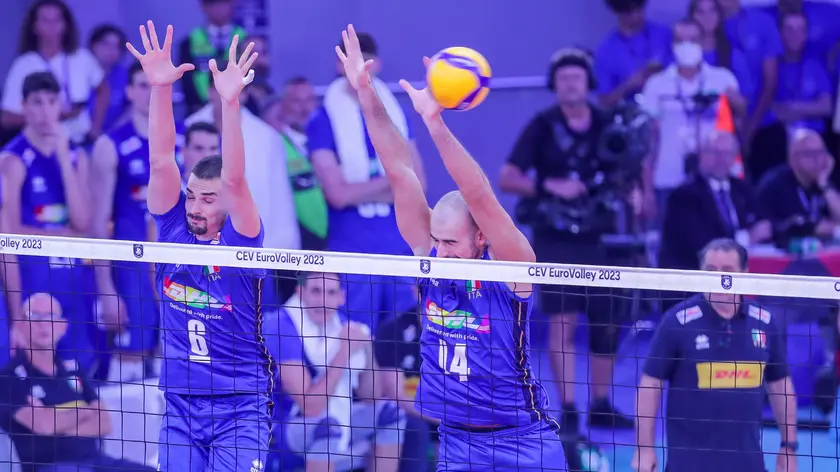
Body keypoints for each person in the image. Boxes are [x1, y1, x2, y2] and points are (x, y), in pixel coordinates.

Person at [337, 24, 567, 470]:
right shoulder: (430, 264)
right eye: (435, 242)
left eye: (450, 242)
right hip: (457, 444)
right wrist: (366, 95)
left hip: (524, 441)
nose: (439, 252)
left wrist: (435, 122)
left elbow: (479, 193)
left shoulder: (512, 268)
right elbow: (399, 171)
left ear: (481, 238)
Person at [126, 22, 270, 471]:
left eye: (208, 199)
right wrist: (160, 89)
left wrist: (229, 102)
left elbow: (234, 178)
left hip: (240, 404)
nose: (195, 205)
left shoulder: (243, 238)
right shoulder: (172, 227)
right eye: (192, 195)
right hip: (181, 405)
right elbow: (160, 158)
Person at [499, 48, 637, 436]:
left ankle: (600, 404)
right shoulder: (541, 126)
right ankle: (570, 409)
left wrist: (635, 195)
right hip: (557, 237)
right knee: (562, 321)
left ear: (588, 82)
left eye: (577, 77)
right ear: (554, 86)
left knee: (608, 321)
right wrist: (548, 185)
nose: (570, 84)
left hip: (605, 236)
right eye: (563, 79)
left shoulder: (610, 124)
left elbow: (630, 168)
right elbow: (507, 177)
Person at [633, 238, 798, 472]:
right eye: (711, 271)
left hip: (748, 466)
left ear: (745, 274)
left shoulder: (765, 322)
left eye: (728, 271)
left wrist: (789, 446)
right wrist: (644, 449)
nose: (720, 278)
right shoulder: (677, 322)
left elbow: (781, 385)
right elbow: (650, 386)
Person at [308, 30, 424, 332]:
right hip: (352, 250)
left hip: (400, 246)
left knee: (401, 348)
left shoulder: (396, 114)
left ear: (377, 64)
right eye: (351, 61)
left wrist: (366, 189)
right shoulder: (322, 120)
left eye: (366, 61)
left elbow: (419, 184)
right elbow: (338, 195)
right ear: (339, 64)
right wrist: (394, 182)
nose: (359, 68)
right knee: (355, 345)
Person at [90, 61, 185, 382]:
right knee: (128, 368)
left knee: (176, 360)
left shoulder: (186, 142)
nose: (150, 92)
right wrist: (106, 289)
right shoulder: (109, 145)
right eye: (142, 85)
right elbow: (98, 221)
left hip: (179, 268)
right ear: (130, 91)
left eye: (156, 85)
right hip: (132, 272)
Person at [0, 71, 97, 374]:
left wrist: (64, 162)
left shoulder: (76, 156)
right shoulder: (11, 160)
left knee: (82, 373)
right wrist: (17, 316)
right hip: (34, 285)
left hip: (73, 283)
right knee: (36, 376)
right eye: (37, 103)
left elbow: (82, 222)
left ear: (61, 105)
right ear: (24, 106)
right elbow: (9, 232)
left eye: (51, 102)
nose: (45, 111)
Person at [265, 273, 405, 472]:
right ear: (300, 292)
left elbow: (371, 396)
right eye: (316, 291)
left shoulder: (339, 322)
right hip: (283, 427)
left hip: (337, 418)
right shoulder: (281, 326)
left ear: (341, 297)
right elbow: (310, 407)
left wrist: (366, 347)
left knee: (391, 414)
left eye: (331, 293)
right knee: (327, 429)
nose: (323, 301)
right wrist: (344, 351)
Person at [0, 293, 154, 472]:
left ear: (63, 326)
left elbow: (104, 423)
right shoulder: (8, 378)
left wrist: (54, 422)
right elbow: (43, 424)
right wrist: (85, 412)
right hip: (49, 467)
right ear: (20, 325)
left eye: (51, 316)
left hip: (96, 462)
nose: (43, 324)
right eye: (34, 316)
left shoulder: (74, 369)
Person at [640, 18, 745, 223]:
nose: (687, 46)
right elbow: (648, 142)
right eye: (680, 41)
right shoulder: (656, 85)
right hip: (669, 175)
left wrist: (738, 103)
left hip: (716, 176)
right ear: (672, 45)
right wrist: (647, 190)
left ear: (703, 43)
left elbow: (738, 126)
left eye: (693, 40)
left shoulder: (722, 79)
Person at [660, 131, 772, 273]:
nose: (721, 159)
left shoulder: (742, 189)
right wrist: (747, 238)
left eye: (727, 153)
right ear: (701, 156)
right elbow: (700, 245)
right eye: (715, 153)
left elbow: (763, 225)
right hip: (695, 276)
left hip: (741, 271)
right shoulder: (683, 196)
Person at [1, 0, 108, 145]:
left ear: (65, 25)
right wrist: (45, 117)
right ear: (35, 26)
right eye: (45, 20)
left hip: (82, 141)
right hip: (43, 144)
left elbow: (103, 89)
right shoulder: (24, 64)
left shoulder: (81, 57)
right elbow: (6, 118)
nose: (52, 27)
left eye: (57, 20)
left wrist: (96, 126)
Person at [374, 284, 435, 472]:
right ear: (416, 291)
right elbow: (396, 395)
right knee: (416, 428)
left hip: (450, 412)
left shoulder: (465, 333)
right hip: (411, 414)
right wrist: (446, 417)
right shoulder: (392, 330)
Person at [756, 128, 840, 245]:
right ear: (792, 159)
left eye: (821, 153)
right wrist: (816, 228)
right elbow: (785, 227)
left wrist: (825, 185)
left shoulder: (822, 181)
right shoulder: (776, 184)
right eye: (809, 154)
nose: (817, 160)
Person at [594, 0, 672, 108]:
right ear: (618, 12)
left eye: (640, 7)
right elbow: (604, 101)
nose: (638, 14)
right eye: (630, 11)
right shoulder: (606, 51)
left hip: (668, 108)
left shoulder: (664, 34)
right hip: (631, 114)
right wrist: (628, 86)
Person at [179, 0, 246, 114]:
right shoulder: (190, 41)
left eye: (223, 3)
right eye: (212, 3)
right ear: (203, 7)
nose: (218, 8)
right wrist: (194, 104)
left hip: (238, 106)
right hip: (199, 106)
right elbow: (185, 76)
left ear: (232, 5)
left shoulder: (245, 38)